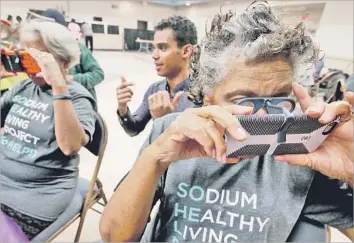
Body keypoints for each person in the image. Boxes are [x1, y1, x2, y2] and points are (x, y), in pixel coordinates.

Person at [100, 2, 354, 242]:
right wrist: (155, 158)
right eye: (245, 100)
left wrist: (351, 171)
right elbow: (115, 237)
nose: (264, 118)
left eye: (278, 99)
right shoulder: (169, 133)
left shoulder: (300, 155)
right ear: (209, 100)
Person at [0, 20, 96, 240]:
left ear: (61, 60)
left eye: (36, 58)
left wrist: (58, 86)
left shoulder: (78, 97)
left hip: (36, 197)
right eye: (23, 57)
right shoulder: (25, 87)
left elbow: (70, 146)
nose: (25, 65)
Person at [116, 15, 198, 137]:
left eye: (162, 48)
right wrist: (123, 109)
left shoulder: (202, 95)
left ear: (186, 51)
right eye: (154, 48)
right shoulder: (155, 90)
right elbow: (134, 128)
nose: (154, 55)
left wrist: (167, 121)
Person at [42, 9, 104, 100]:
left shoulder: (77, 48)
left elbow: (98, 74)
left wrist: (71, 79)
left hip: (77, 100)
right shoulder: (39, 51)